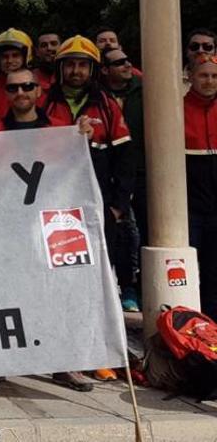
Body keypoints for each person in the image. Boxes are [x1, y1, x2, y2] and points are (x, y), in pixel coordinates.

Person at [0, 69, 94, 392]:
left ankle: (64, 363)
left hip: (52, 222)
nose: (20, 92)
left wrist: (82, 137)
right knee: (4, 291)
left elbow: (77, 168)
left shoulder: (61, 131)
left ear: (38, 91)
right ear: (6, 93)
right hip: (6, 224)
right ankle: (0, 360)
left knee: (58, 291)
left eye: (27, 86)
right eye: (12, 87)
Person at [43, 36, 135, 339]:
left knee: (96, 274)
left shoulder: (108, 106)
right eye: (70, 64)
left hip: (97, 207)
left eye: (83, 65)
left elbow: (125, 160)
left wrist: (118, 207)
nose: (76, 71)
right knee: (56, 274)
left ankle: (95, 343)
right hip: (53, 206)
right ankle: (60, 337)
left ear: (93, 70)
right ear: (60, 68)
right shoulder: (45, 102)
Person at [101, 48, 145, 311]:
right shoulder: (99, 96)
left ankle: (131, 288)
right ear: (105, 69)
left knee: (134, 234)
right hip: (108, 176)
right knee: (118, 234)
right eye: (118, 62)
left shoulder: (144, 88)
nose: (127, 64)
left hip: (142, 173)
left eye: (127, 59)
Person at [184, 55, 217, 321]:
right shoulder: (178, 108)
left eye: (214, 76)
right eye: (204, 75)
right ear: (191, 77)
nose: (209, 81)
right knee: (191, 271)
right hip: (191, 207)